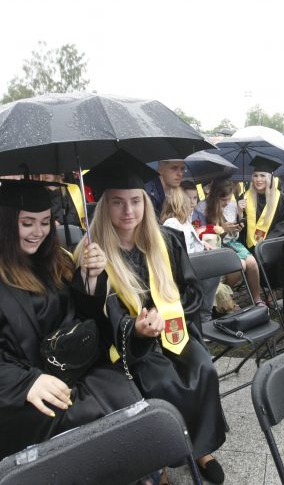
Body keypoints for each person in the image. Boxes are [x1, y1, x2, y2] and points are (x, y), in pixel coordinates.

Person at [76, 151, 226, 484]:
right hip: (131, 350)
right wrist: (137, 329)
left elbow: (191, 293)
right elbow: (97, 318)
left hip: (173, 332)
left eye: (135, 201)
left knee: (202, 366)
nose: (128, 211)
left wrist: (167, 314)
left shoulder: (167, 241)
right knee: (162, 381)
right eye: (117, 202)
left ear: (145, 202)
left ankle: (200, 447)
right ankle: (158, 460)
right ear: (104, 207)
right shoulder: (94, 254)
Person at [0, 179, 141, 460]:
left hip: (69, 371)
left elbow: (81, 321)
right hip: (19, 390)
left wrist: (89, 280)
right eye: (27, 223)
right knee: (87, 419)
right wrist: (26, 383)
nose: (37, 233)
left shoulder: (55, 260)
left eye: (44, 222)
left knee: (125, 395)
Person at [196, 178, 264, 305]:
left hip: (231, 242)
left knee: (252, 263)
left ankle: (257, 299)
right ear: (215, 196)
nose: (227, 202)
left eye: (229, 198)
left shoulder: (233, 205)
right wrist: (223, 230)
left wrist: (237, 227)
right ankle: (223, 298)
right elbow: (202, 235)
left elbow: (235, 235)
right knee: (239, 266)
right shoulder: (203, 207)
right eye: (223, 200)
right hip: (214, 245)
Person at [161, 186, 220, 323]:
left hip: (196, 261)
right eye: (188, 202)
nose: (192, 204)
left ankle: (205, 313)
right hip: (187, 268)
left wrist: (203, 243)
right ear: (179, 205)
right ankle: (204, 316)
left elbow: (193, 241)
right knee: (213, 273)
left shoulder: (185, 221)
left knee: (217, 267)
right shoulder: (172, 223)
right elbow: (178, 249)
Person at [239, 156, 284, 250]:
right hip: (247, 248)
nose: (258, 179)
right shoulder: (244, 197)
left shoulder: (281, 198)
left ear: (270, 178)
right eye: (255, 175)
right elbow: (240, 225)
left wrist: (266, 243)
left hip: (271, 248)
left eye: (262, 175)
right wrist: (239, 212)